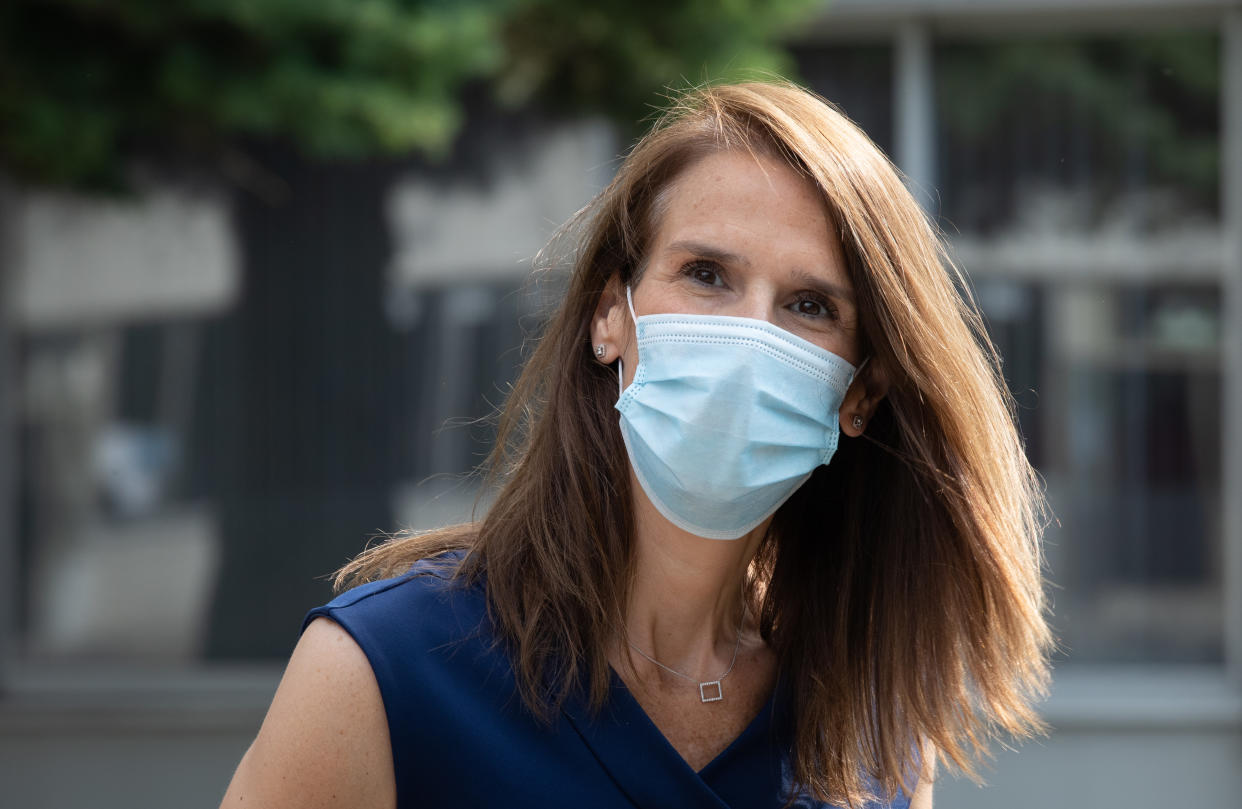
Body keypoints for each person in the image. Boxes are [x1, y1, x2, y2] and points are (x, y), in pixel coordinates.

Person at [220, 80, 1051, 809]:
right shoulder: (385, 672)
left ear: (860, 395)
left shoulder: (874, 732)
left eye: (808, 306)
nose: (747, 339)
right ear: (609, 315)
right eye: (706, 274)